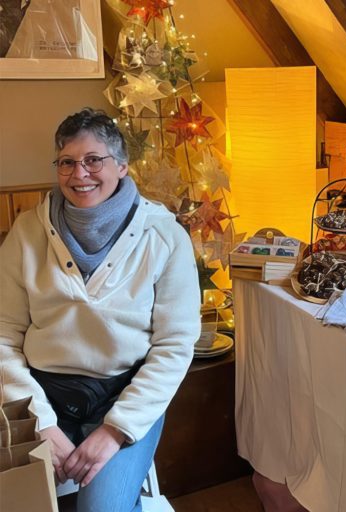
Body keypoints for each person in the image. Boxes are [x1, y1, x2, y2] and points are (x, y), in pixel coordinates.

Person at [0, 108, 201, 511]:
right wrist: (41, 422)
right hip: (40, 394)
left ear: (122, 166)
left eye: (94, 160)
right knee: (21, 502)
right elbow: (3, 335)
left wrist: (116, 430)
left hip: (124, 396)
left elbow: (175, 344)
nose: (80, 174)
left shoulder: (163, 236)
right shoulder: (27, 232)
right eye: (67, 162)